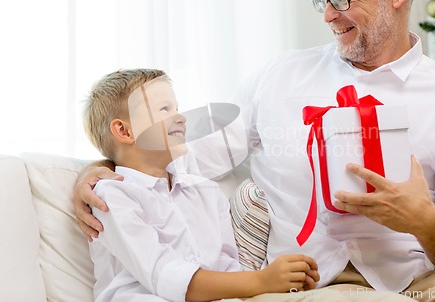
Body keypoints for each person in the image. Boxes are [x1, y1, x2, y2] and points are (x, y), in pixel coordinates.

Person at [75, 0, 435, 301]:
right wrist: (103, 168)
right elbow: (181, 157)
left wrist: (427, 224)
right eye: (323, 0)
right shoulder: (281, 77)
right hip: (309, 283)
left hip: (422, 282)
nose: (329, 16)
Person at [81, 69, 320, 302]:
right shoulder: (111, 195)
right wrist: (262, 280)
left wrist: (274, 280)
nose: (181, 117)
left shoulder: (203, 190)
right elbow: (163, 275)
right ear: (124, 130)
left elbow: (227, 266)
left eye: (177, 108)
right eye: (165, 109)